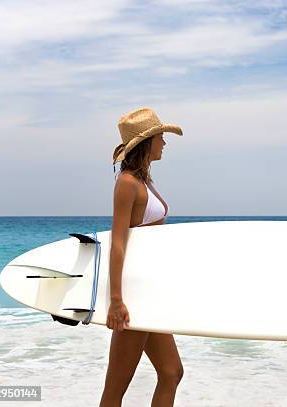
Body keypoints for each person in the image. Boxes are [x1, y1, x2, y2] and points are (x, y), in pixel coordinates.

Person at [99, 108, 184, 407]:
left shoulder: (143, 181)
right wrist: (116, 300)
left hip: (150, 292)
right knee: (116, 388)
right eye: (160, 136)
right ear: (146, 142)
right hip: (133, 297)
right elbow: (118, 244)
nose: (164, 142)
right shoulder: (127, 183)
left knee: (172, 372)